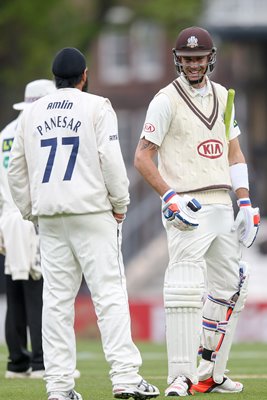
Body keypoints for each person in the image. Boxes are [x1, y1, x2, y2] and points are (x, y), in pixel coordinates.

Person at [7, 47, 160, 400]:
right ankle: (125, 377)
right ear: (84, 76)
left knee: (56, 301)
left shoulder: (30, 114)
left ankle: (59, 387)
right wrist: (120, 203)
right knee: (108, 294)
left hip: (51, 217)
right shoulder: (97, 106)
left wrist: (31, 210)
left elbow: (16, 169)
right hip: (91, 213)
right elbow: (109, 158)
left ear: (54, 78)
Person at [134, 26, 260, 396]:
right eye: (187, 59)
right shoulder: (165, 99)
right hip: (187, 204)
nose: (193, 64)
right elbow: (142, 156)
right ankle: (179, 376)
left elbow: (233, 152)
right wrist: (169, 196)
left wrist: (246, 200)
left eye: (199, 58)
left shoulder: (223, 96)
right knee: (183, 288)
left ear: (210, 58)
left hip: (222, 202)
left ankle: (210, 373)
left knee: (231, 286)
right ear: (177, 59)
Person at [0, 80, 56, 378]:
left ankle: (17, 362)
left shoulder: (4, 134)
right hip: (31, 217)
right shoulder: (35, 133)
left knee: (15, 290)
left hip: (7, 220)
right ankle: (40, 362)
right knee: (38, 290)